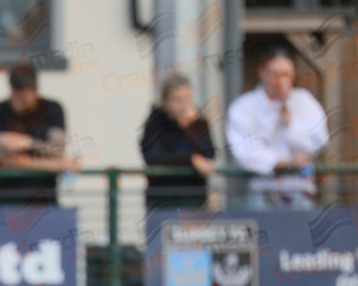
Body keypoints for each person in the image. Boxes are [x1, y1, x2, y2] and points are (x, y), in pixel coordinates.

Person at [226, 46, 329, 210]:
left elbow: (320, 140)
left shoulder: (304, 101)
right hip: (262, 190)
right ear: (263, 74)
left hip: (299, 190)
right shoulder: (244, 106)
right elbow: (242, 148)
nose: (283, 81)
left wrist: (291, 122)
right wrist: (277, 162)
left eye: (287, 74)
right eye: (276, 74)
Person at [0, 64, 79, 207]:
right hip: (7, 201)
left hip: (46, 201)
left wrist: (22, 145)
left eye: (24, 99)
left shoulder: (52, 109)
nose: (18, 104)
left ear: (36, 90)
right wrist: (55, 164)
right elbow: (7, 161)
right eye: (16, 97)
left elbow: (57, 149)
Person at [140, 76, 216, 211]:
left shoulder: (198, 121)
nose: (184, 105)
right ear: (165, 101)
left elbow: (209, 154)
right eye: (177, 99)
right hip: (162, 200)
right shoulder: (155, 123)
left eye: (187, 98)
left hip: (194, 198)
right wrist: (191, 159)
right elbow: (154, 157)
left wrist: (191, 127)